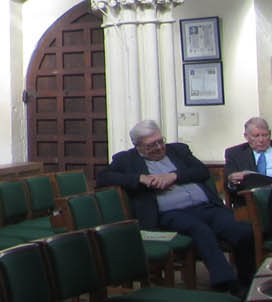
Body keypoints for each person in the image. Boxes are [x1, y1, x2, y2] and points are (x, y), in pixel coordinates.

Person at [97, 119, 253, 295]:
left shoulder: (178, 150)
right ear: (138, 146)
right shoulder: (126, 159)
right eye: (151, 145)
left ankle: (247, 281)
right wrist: (140, 178)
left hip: (206, 206)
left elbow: (201, 171)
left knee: (243, 230)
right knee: (200, 229)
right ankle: (227, 283)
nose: (158, 148)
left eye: (160, 141)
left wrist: (174, 176)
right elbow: (103, 178)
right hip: (170, 213)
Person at [225, 116, 272, 200]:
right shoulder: (234, 154)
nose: (261, 140)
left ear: (270, 133)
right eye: (256, 136)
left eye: (265, 135)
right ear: (246, 136)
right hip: (250, 201)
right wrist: (233, 181)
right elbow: (229, 186)